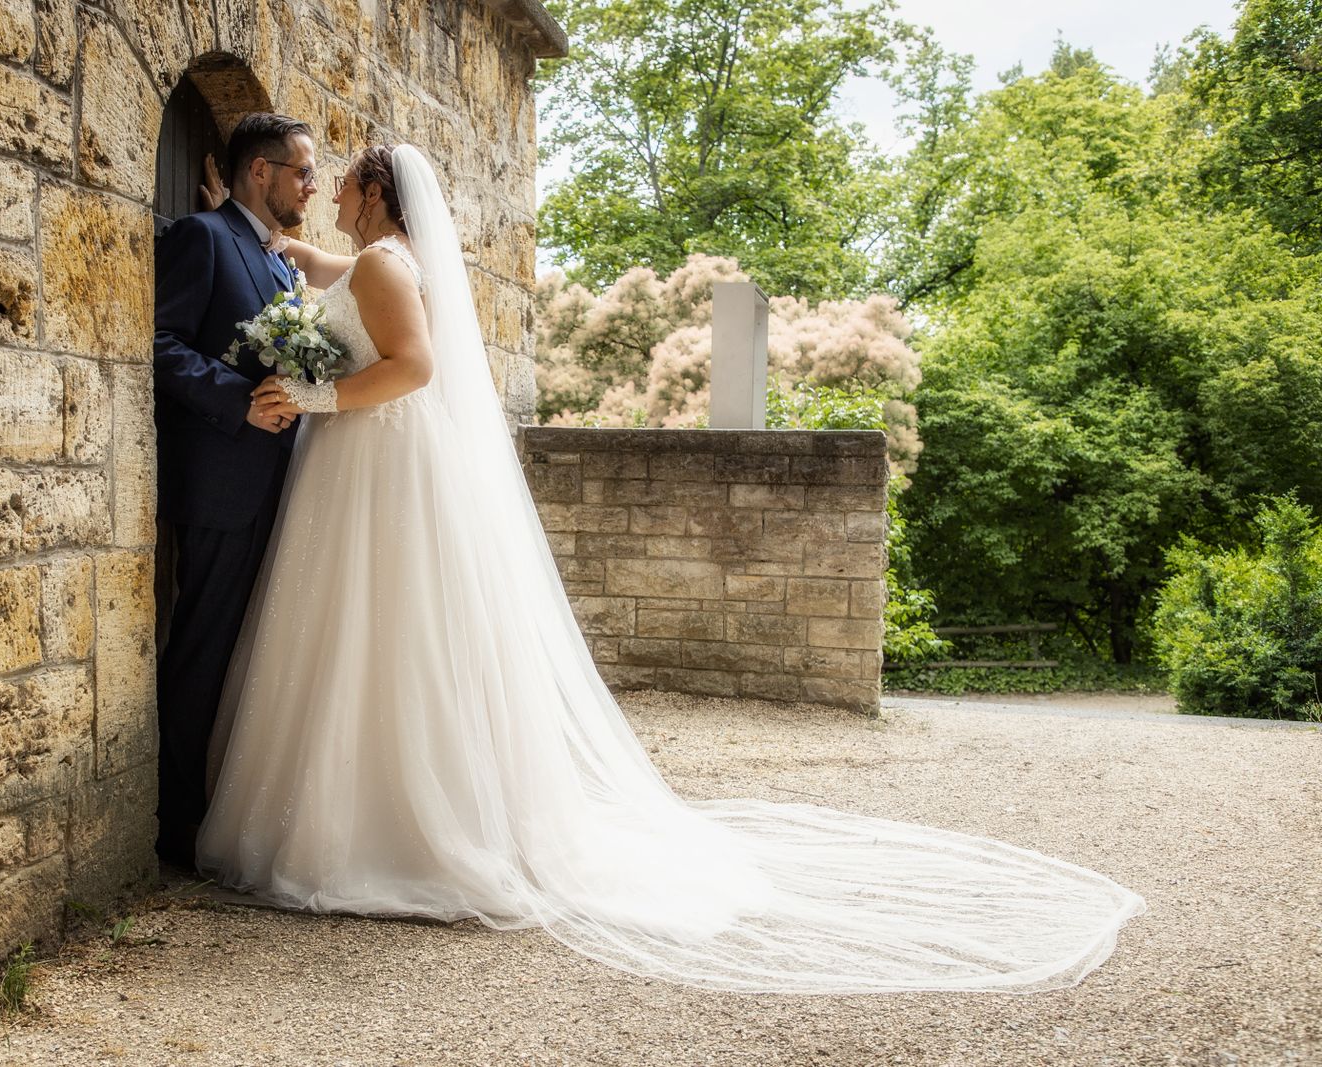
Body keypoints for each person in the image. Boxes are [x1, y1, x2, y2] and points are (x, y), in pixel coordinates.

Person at [196, 143, 1146, 993]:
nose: (330, 196)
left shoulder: (382, 262)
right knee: (371, 634)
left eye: (345, 182)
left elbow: (412, 367)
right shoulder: (375, 261)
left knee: (381, 628)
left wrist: (317, 395)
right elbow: (335, 279)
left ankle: (390, 830)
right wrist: (272, 246)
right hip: (367, 461)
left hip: (377, 457)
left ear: (376, 192)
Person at [150, 113, 318, 870]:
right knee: (204, 649)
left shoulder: (279, 260)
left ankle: (230, 805)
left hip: (284, 483)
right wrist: (235, 398)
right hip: (221, 481)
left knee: (254, 655)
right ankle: (179, 823)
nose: (312, 185)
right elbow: (158, 341)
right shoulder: (203, 237)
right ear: (261, 172)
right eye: (302, 172)